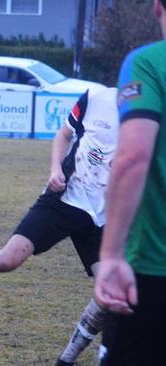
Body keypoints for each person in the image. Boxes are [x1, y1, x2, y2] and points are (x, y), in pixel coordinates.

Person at [0, 87, 119, 366]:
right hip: (65, 199)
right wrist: (55, 170)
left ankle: (66, 360)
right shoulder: (96, 98)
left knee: (109, 292)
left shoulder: (152, 120)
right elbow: (64, 135)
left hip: (105, 219)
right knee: (6, 260)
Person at [94, 1, 166, 364]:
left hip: (153, 267)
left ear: (157, 8)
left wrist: (109, 256)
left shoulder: (149, 62)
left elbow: (133, 157)